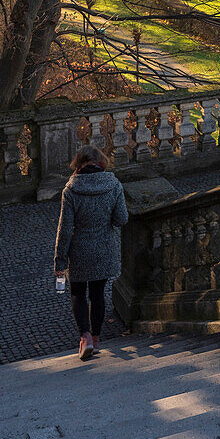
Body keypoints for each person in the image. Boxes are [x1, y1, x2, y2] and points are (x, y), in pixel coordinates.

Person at [54, 145, 128, 361]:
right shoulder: (114, 185)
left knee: (78, 293)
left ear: (78, 164)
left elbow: (64, 229)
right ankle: (96, 339)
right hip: (104, 249)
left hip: (79, 252)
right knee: (97, 294)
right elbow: (121, 219)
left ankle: (84, 337)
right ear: (101, 162)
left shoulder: (71, 190)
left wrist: (59, 261)